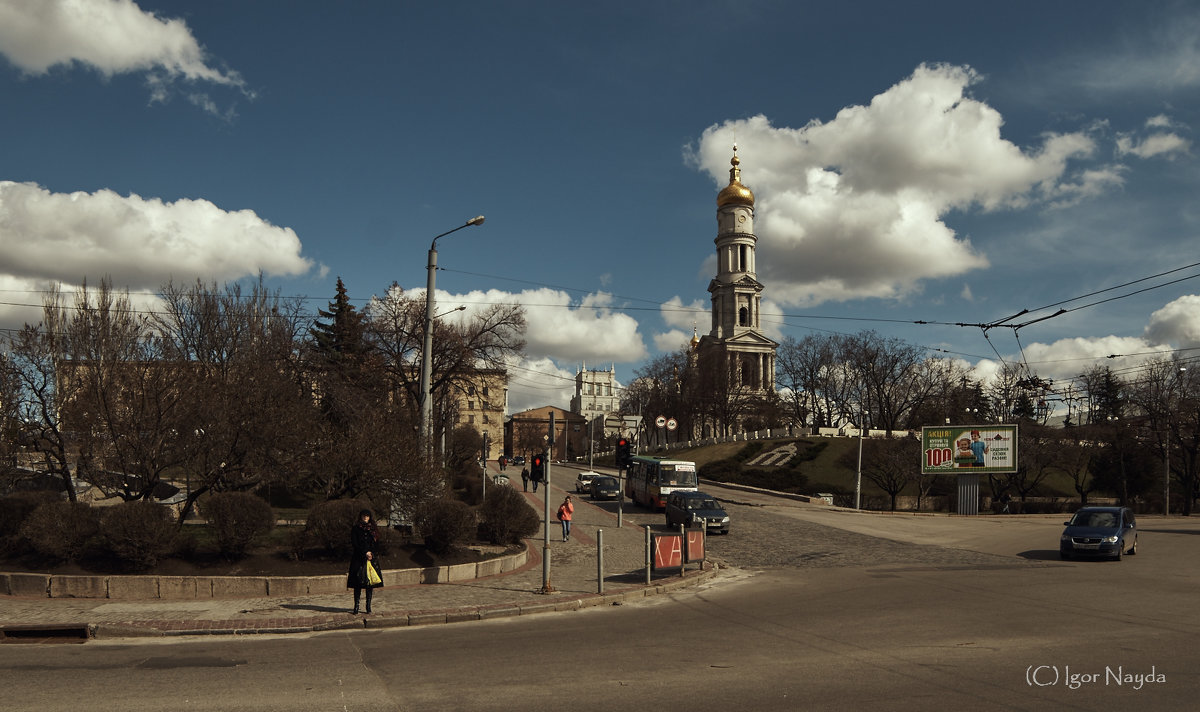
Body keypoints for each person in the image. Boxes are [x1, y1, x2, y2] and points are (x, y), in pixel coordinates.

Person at [347, 508, 383, 614]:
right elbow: (355, 543)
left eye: (367, 516)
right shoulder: (356, 528)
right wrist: (364, 552)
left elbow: (377, 544)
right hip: (358, 558)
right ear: (360, 517)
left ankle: (368, 606)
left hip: (371, 559)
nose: (365, 518)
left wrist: (371, 553)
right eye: (363, 516)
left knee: (370, 583)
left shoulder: (373, 529)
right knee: (357, 583)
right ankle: (356, 606)